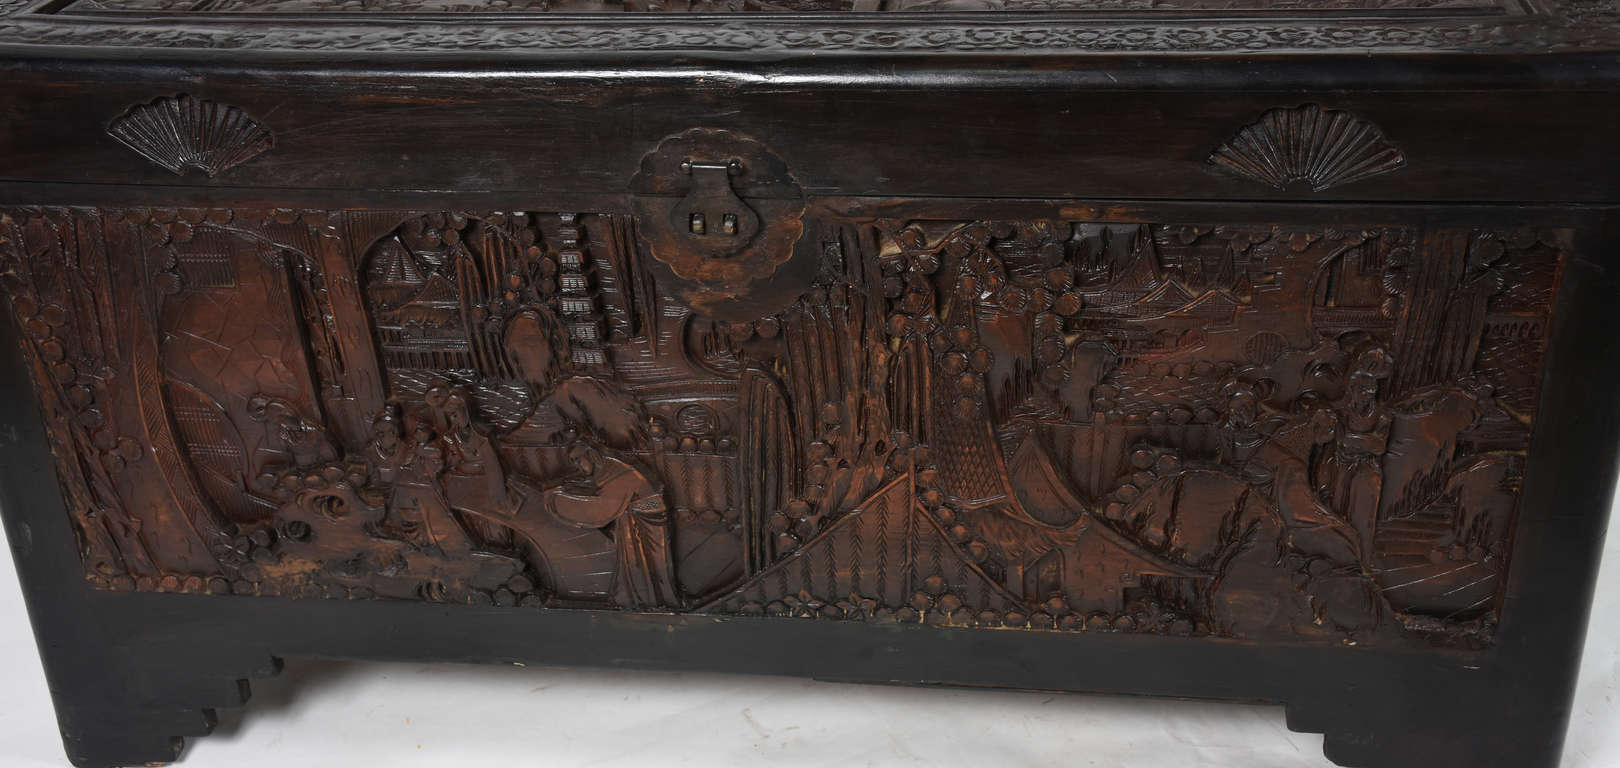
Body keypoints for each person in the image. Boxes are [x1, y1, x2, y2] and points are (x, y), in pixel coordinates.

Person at [543, 442, 678, 609]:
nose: (577, 466)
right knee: (633, 564)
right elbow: (599, 490)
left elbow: (602, 509)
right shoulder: (608, 469)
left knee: (643, 564)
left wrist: (558, 501)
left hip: (645, 520)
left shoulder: (619, 473)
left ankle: (648, 601)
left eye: (578, 460)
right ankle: (638, 600)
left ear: (592, 456)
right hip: (633, 515)